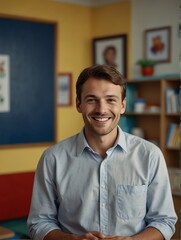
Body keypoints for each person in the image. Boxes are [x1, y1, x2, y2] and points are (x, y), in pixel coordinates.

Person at [27, 65, 177, 240]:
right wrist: (72, 239)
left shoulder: (150, 155)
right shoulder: (52, 159)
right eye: (92, 99)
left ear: (122, 105)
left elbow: (164, 221)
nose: (101, 109)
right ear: (78, 104)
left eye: (111, 100)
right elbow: (39, 223)